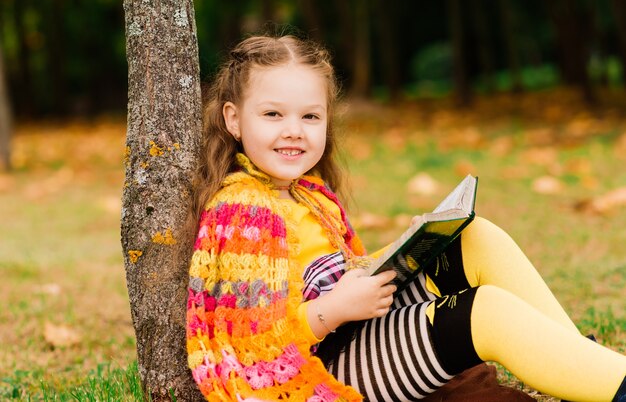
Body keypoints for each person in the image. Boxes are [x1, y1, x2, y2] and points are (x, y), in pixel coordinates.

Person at [185, 33, 626, 402]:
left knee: (476, 238)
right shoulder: (242, 212)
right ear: (234, 119)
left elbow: (333, 275)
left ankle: (579, 365)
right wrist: (332, 310)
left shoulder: (308, 195)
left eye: (310, 116)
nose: (294, 129)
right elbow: (254, 347)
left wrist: (415, 244)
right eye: (272, 114)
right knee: (483, 312)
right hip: (322, 371)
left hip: (350, 336)